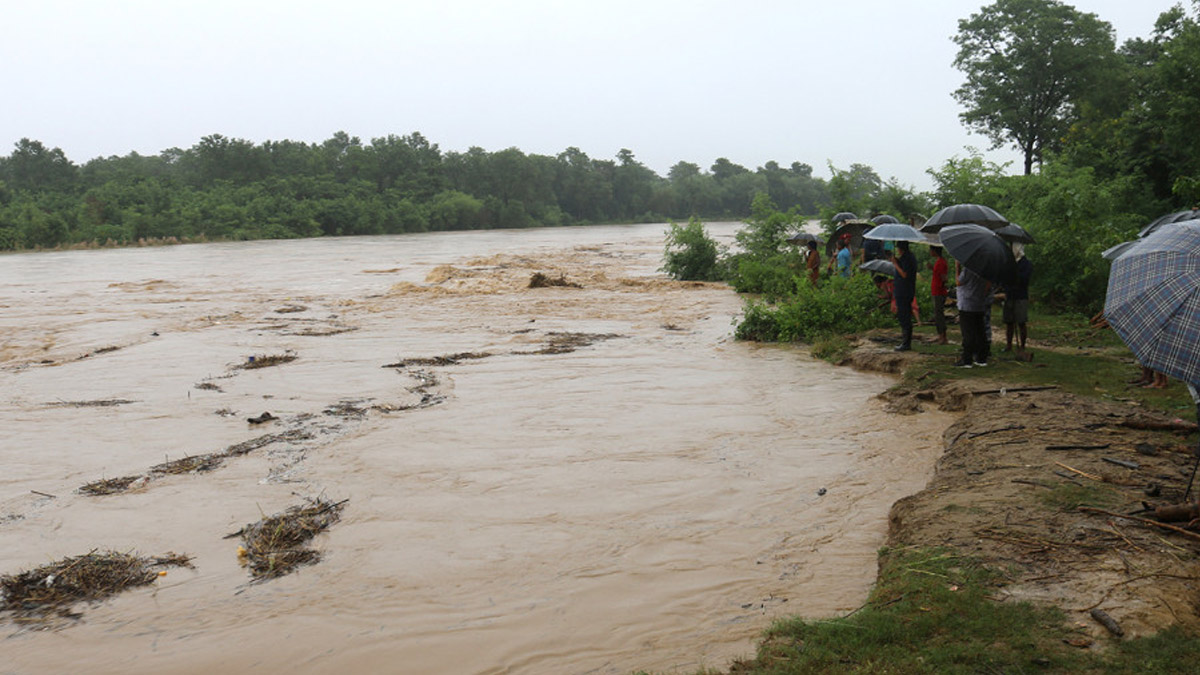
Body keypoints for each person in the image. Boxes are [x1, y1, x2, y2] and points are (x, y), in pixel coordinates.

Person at [955, 265, 991, 367]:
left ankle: (967, 359)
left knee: (968, 333)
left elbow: (958, 282)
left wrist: (957, 268)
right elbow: (988, 286)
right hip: (979, 303)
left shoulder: (969, 268)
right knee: (980, 331)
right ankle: (981, 358)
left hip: (967, 304)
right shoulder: (986, 270)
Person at [1002, 242, 1033, 353]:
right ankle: (1009, 345)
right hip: (1010, 294)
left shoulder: (1026, 264)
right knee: (1009, 322)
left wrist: (1014, 274)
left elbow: (1024, 279)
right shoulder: (1009, 263)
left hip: (1021, 296)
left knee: (1021, 321)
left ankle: (1022, 346)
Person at [890, 240, 917, 351]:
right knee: (904, 315)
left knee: (904, 316)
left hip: (904, 291)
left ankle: (906, 343)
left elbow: (905, 274)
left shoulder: (908, 258)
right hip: (904, 290)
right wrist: (897, 261)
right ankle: (905, 341)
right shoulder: (907, 257)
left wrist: (896, 264)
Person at [929, 246, 949, 345]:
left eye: (931, 250)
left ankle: (943, 337)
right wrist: (932, 269)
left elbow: (944, 278)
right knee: (938, 314)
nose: (930, 252)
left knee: (939, 315)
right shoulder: (939, 261)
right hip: (936, 291)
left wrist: (942, 282)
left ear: (934, 251)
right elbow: (939, 274)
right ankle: (940, 335)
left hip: (939, 292)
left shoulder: (941, 262)